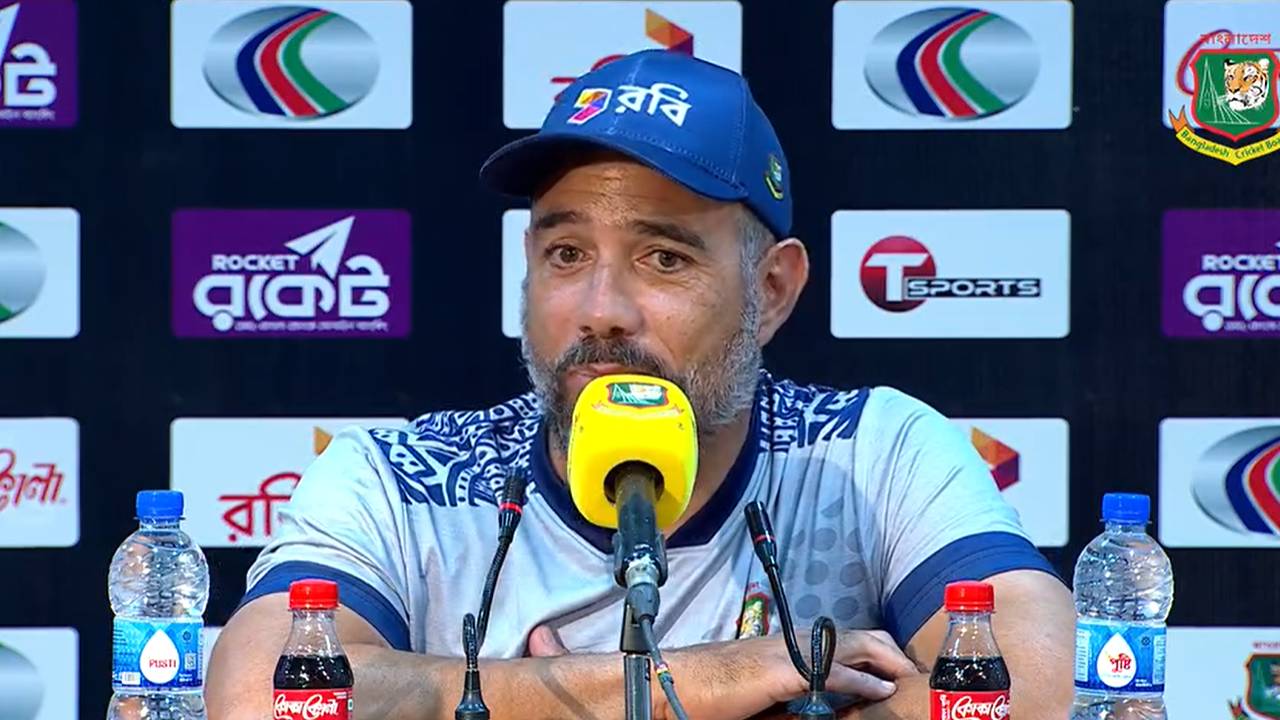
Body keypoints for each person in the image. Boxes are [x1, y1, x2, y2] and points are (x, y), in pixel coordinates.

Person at [206, 49, 1074, 720]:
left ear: (772, 290)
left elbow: (1043, 686)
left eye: (663, 258)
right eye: (566, 253)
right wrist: (694, 684)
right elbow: (261, 699)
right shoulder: (399, 478)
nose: (601, 311)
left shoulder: (869, 454)